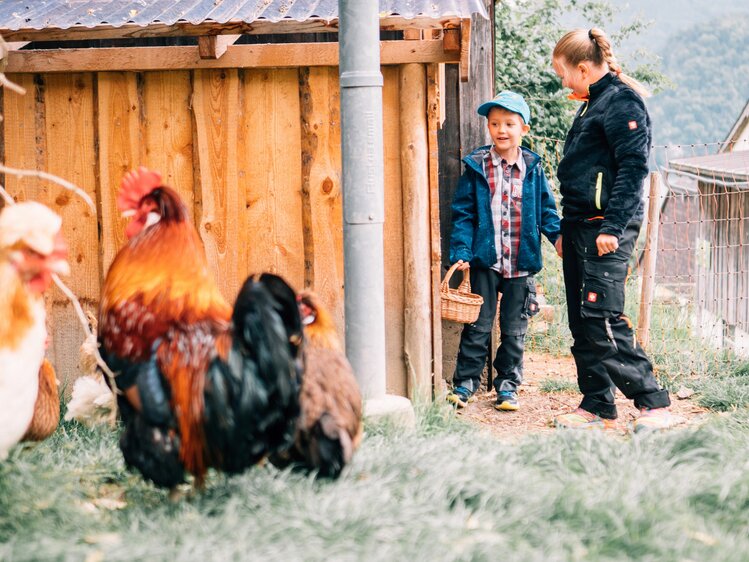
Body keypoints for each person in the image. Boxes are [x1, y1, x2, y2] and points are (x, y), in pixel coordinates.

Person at [551, 28, 675, 432]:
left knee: (601, 315)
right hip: (580, 225)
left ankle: (653, 404)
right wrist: (568, 228)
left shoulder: (622, 102)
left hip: (605, 228)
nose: (563, 81)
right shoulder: (592, 103)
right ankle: (597, 404)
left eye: (563, 72)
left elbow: (633, 170)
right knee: (581, 319)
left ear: (583, 68)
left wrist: (614, 227)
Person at [446, 91, 562, 411]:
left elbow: (547, 211)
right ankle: (465, 384)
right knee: (478, 326)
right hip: (485, 261)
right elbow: (464, 213)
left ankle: (508, 386)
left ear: (523, 129)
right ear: (488, 127)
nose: (502, 130)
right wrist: (461, 250)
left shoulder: (532, 168)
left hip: (520, 263)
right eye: (495, 123)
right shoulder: (477, 166)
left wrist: (558, 237)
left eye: (510, 123)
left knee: (513, 330)